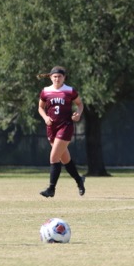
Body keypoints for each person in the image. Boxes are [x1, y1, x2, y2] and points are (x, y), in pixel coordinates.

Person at [37, 66, 86, 198]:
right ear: (50, 77)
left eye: (59, 76)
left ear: (64, 77)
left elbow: (80, 104)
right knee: (65, 159)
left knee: (54, 157)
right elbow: (40, 108)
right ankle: (79, 180)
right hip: (51, 128)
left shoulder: (69, 91)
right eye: (55, 76)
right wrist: (45, 117)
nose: (57, 78)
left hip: (65, 126)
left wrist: (78, 114)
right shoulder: (46, 91)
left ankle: (51, 189)